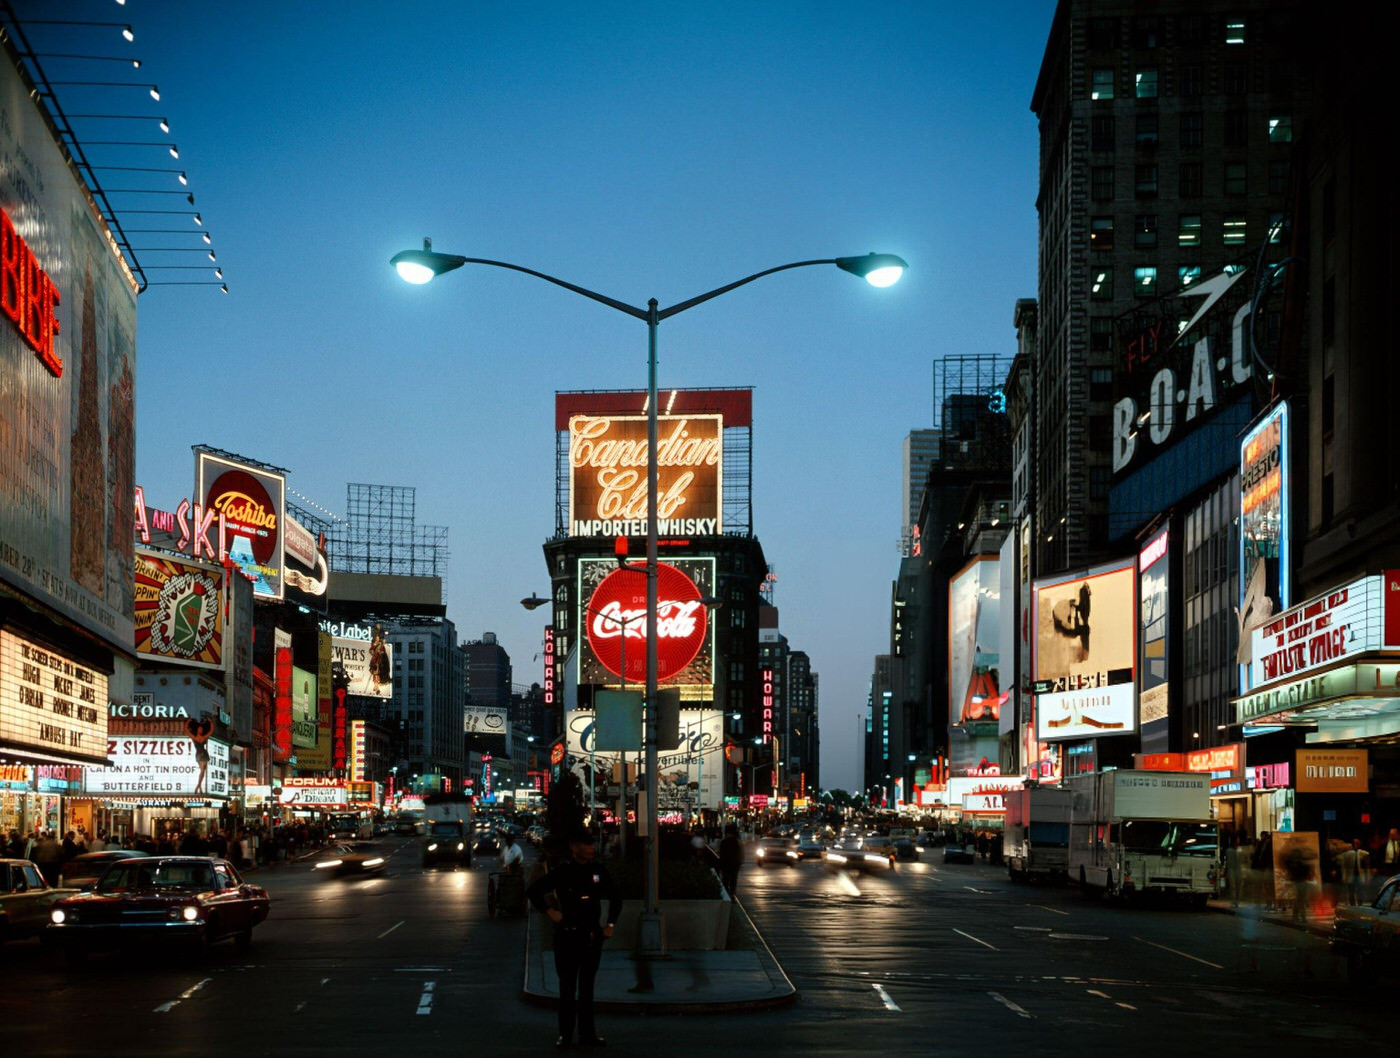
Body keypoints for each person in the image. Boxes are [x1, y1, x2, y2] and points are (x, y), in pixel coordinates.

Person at [526, 830, 620, 1049]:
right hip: (567, 934)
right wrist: (550, 912)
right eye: (586, 845)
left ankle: (588, 1035)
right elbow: (533, 891)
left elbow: (616, 897)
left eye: (591, 845)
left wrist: (610, 925)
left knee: (587, 989)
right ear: (574, 847)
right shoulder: (563, 872)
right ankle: (566, 1036)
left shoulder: (598, 871)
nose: (591, 849)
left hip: (591, 936)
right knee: (567, 988)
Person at [1337, 838, 1372, 905]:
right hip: (1351, 875)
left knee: (1360, 891)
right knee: (1351, 891)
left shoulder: (1363, 853)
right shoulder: (1347, 854)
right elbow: (1344, 866)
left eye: (1358, 843)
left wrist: (1368, 876)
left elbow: (1367, 866)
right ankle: (1352, 904)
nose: (1356, 845)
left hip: (1360, 875)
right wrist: (1344, 876)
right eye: (1355, 843)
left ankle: (1360, 903)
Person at [718, 824, 743, 896]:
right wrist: (740, 862)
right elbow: (740, 853)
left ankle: (726, 894)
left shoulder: (723, 842)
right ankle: (732, 894)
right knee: (733, 880)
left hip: (725, 864)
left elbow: (720, 853)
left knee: (725, 879)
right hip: (734, 864)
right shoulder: (737, 842)